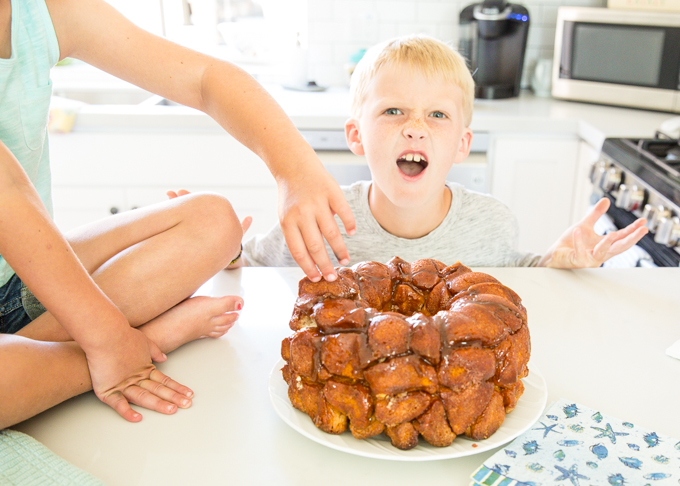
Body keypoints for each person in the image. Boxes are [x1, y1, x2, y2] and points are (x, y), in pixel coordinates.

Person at [0, 0, 355, 429]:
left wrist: (294, 169)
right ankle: (142, 342)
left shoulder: (43, 12)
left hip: (21, 276)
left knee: (212, 221)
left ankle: (27, 365)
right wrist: (110, 338)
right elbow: (8, 193)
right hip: (46, 284)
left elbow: (206, 79)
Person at [236, 34, 648, 269]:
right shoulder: (320, 219)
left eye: (436, 114)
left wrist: (557, 263)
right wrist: (225, 251)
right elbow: (253, 265)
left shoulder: (492, 223)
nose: (415, 128)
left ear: (462, 145)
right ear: (356, 135)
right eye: (393, 111)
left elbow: (519, 276)